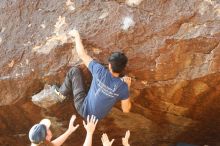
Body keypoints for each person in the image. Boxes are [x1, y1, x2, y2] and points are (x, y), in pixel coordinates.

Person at [54, 29, 132, 120]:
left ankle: (61, 93)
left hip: (82, 107)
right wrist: (127, 87)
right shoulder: (122, 87)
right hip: (96, 119)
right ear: (123, 69)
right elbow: (126, 110)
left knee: (74, 71)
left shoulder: (100, 71)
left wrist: (76, 35)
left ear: (109, 66)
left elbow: (82, 54)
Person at [29, 115, 98, 146]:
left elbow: (53, 145)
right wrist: (89, 133)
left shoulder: (38, 143)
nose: (49, 129)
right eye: (48, 129)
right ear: (46, 137)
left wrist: (69, 131)